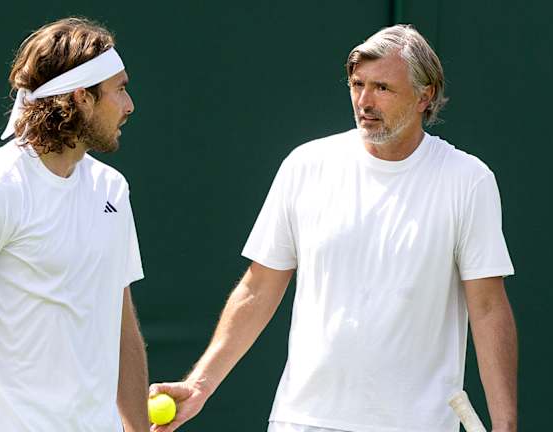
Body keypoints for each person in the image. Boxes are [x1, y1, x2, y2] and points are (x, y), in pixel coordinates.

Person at [151, 24, 517, 432]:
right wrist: (200, 384)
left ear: (424, 95)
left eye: (382, 88)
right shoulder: (305, 166)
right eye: (357, 84)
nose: (364, 101)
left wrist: (505, 426)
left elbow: (488, 308)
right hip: (302, 420)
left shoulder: (468, 180)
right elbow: (257, 289)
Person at [0, 17, 149, 432]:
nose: (129, 105)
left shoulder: (112, 190)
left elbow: (122, 325)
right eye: (119, 89)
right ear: (82, 98)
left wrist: (137, 426)